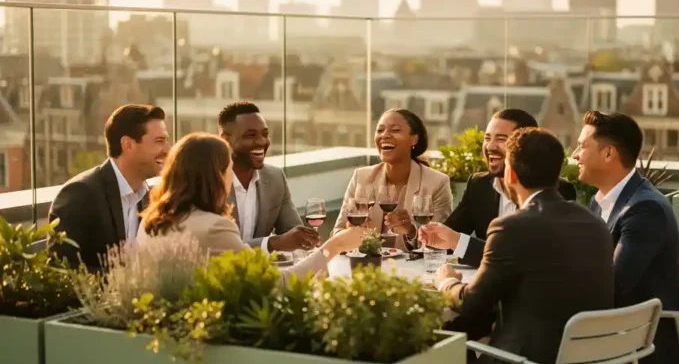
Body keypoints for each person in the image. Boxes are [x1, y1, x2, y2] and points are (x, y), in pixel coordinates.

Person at [435, 128, 625, 364]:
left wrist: (446, 283)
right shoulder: (593, 222)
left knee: (445, 360)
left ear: (509, 172)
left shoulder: (512, 226)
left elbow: (471, 303)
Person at [137, 133, 363, 285]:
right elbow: (278, 285)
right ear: (217, 175)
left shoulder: (150, 223)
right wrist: (335, 246)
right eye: (229, 168)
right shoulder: (214, 228)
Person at [573, 110, 679, 364]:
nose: (575, 154)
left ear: (608, 154)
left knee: (535, 347)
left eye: (582, 146)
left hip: (647, 343)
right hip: (620, 328)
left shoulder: (644, 209)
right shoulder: (602, 199)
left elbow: (614, 285)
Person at [419, 109, 578, 267]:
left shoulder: (556, 190)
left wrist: (457, 242)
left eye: (501, 139)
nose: (490, 146)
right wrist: (423, 235)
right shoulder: (479, 184)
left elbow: (524, 258)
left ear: (524, 147)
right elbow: (446, 238)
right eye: (487, 138)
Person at [49, 104, 170, 269]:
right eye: (159, 141)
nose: (168, 149)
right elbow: (62, 269)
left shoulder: (149, 197)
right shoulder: (79, 195)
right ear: (128, 145)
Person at [332, 108, 453, 250]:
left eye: (395, 130)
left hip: (412, 269)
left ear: (414, 139)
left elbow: (441, 244)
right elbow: (337, 234)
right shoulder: (361, 178)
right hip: (368, 267)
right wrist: (352, 234)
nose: (384, 135)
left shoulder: (437, 183)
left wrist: (411, 232)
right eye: (380, 130)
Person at [217, 102, 320, 253]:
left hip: (261, 273)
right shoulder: (209, 182)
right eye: (250, 135)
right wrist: (271, 243)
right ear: (226, 140)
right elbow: (218, 248)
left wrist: (303, 238)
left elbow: (291, 231)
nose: (261, 141)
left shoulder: (275, 178)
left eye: (265, 134)